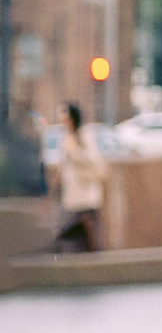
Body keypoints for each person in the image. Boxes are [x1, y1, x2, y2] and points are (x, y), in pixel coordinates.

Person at [52, 102, 107, 252]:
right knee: (75, 235)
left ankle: (95, 259)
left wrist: (74, 151)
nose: (64, 122)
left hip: (86, 195)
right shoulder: (66, 137)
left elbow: (93, 160)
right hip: (71, 195)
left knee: (91, 235)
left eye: (66, 118)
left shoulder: (84, 135)